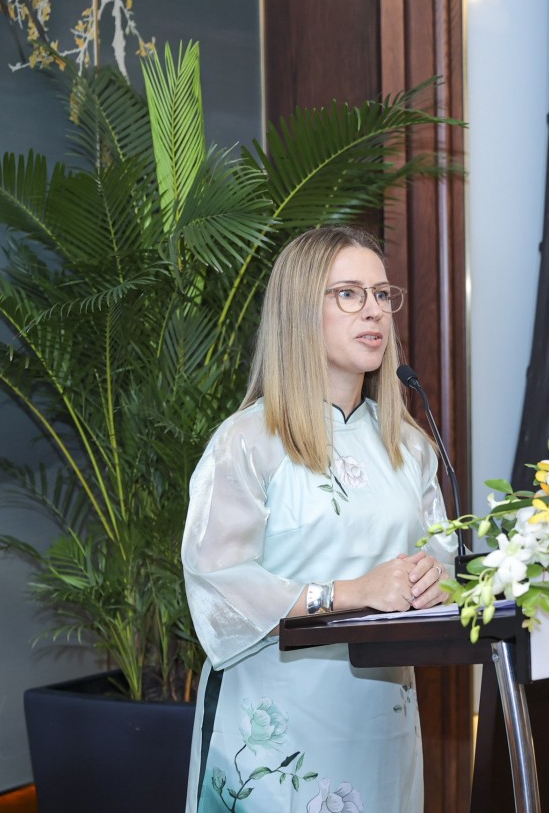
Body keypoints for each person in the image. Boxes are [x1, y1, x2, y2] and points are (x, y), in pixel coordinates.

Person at [182, 226, 457, 812]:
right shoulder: (249, 442)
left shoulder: (410, 448)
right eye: (350, 294)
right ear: (301, 311)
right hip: (277, 734)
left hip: (381, 719)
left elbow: (444, 561)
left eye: (383, 295)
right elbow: (217, 585)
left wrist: (438, 580)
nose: (374, 312)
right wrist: (348, 593)